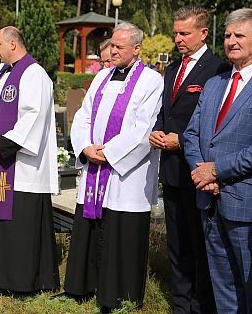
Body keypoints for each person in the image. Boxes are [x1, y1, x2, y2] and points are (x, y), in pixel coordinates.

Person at [184, 8, 252, 313]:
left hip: (247, 204)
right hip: (209, 203)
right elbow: (191, 134)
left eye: (239, 35)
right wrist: (202, 174)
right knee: (222, 285)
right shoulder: (215, 84)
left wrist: (216, 170)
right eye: (227, 35)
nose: (231, 41)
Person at [65, 22, 163, 311]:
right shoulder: (102, 77)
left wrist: (110, 154)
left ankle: (120, 295)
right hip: (94, 168)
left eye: (120, 46)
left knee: (120, 233)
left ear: (136, 48)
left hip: (125, 175)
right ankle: (81, 287)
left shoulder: (150, 81)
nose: (113, 50)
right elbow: (83, 115)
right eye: (112, 45)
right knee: (90, 229)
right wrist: (85, 147)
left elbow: (143, 127)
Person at [149, 6, 229, 314]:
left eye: (185, 33)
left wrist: (181, 140)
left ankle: (201, 306)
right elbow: (165, 112)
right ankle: (180, 306)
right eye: (176, 32)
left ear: (204, 33)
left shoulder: (218, 69)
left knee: (200, 246)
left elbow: (217, 121)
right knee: (177, 246)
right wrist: (157, 131)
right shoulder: (172, 69)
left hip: (198, 172)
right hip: (170, 172)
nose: (178, 38)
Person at [0, 26, 60, 293]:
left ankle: (22, 281)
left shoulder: (34, 73)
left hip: (21, 167)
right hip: (0, 163)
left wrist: (5, 142)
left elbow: (35, 115)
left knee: (19, 229)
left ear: (12, 44)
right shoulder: (5, 73)